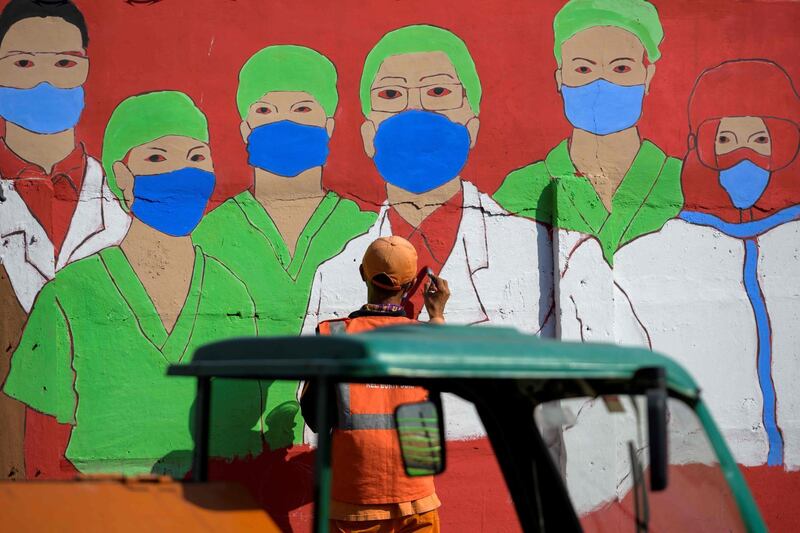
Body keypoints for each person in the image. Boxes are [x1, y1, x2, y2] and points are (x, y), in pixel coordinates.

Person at [3, 91, 264, 477]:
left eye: (197, 158)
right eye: (157, 158)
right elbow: (42, 438)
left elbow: (247, 425)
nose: (182, 174)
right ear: (122, 177)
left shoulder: (230, 292)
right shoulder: (69, 293)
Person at [304, 24, 553, 337]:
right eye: (391, 94)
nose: (415, 111)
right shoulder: (331, 273)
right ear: (369, 136)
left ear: (472, 127)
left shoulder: (532, 256)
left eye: (438, 92)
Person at [613, 59, 800, 469]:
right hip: (699, 481)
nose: (743, 155)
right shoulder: (652, 256)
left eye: (760, 139)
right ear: (702, 145)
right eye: (726, 139)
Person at [192, 45, 377, 444]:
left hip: (339, 440)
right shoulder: (207, 235)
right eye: (265, 112)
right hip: (231, 446)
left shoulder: (364, 230)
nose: (284, 123)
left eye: (302, 110)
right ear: (245, 128)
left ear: (328, 124)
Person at [0, 0, 128, 480]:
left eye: (64, 63)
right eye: (23, 64)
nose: (45, 81)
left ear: (86, 71)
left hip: (98, 460)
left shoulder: (123, 211)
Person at [493, 0, 682, 265]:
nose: (602, 82)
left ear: (648, 76)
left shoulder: (680, 181)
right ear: (560, 79)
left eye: (621, 68)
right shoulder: (519, 188)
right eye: (583, 69)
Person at [301, 235, 449, 533]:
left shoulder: (335, 335)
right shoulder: (427, 339)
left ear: (363, 274)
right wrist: (437, 315)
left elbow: (316, 417)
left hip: (356, 503)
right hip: (418, 500)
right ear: (410, 286)